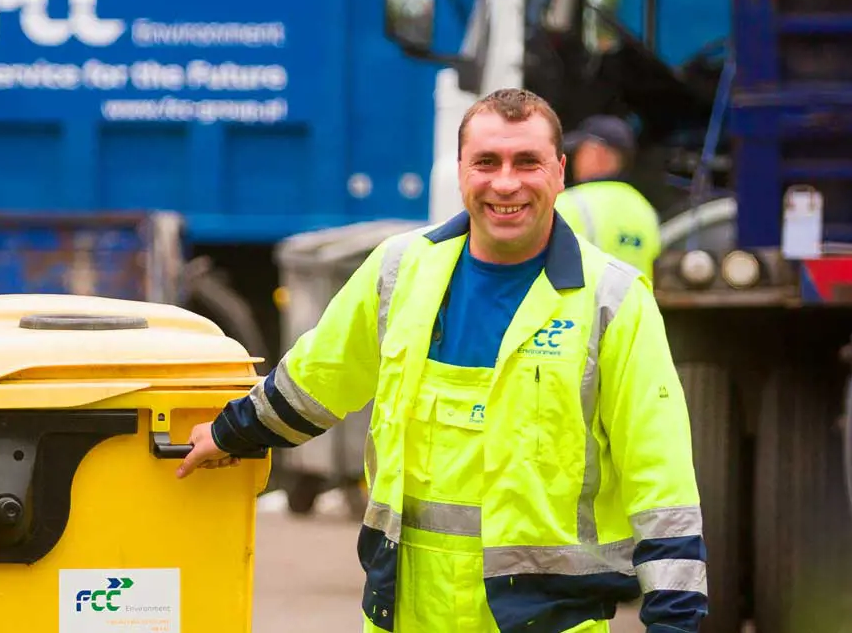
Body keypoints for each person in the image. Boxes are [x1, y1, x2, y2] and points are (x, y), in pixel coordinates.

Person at [179, 89, 706, 632]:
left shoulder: (614, 301)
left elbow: (659, 472)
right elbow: (320, 374)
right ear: (460, 170)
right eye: (486, 162)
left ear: (560, 171)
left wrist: (674, 619)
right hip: (404, 616)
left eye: (527, 162)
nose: (506, 183)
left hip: (545, 621)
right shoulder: (400, 271)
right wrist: (230, 432)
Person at [555, 114, 661, 274]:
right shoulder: (646, 209)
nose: (575, 160)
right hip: (635, 299)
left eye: (581, 151)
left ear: (599, 154)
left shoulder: (568, 203)